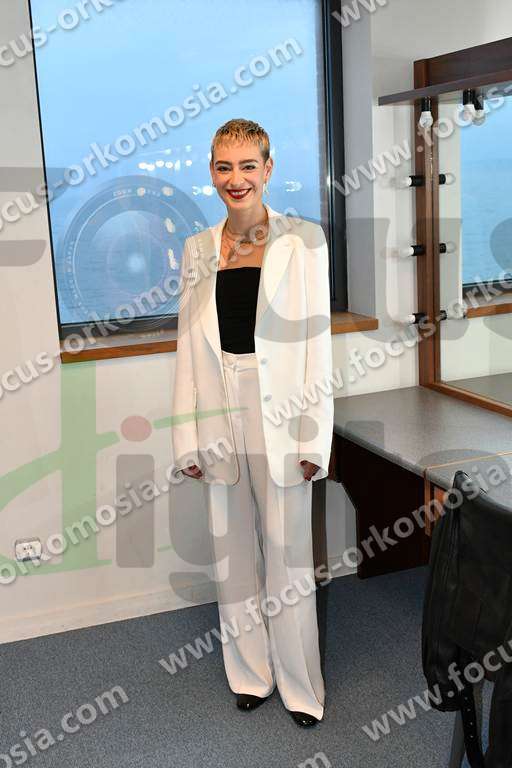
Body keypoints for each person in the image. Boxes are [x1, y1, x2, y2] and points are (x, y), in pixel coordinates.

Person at [171, 118, 333, 727]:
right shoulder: (196, 248)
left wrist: (315, 438)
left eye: (246, 166)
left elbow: (317, 346)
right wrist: (185, 438)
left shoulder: (304, 240)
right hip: (219, 409)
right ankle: (250, 674)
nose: (235, 179)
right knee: (232, 554)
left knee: (288, 558)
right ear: (212, 173)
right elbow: (187, 348)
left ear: (268, 169)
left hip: (282, 413)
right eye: (223, 167)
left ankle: (300, 686)